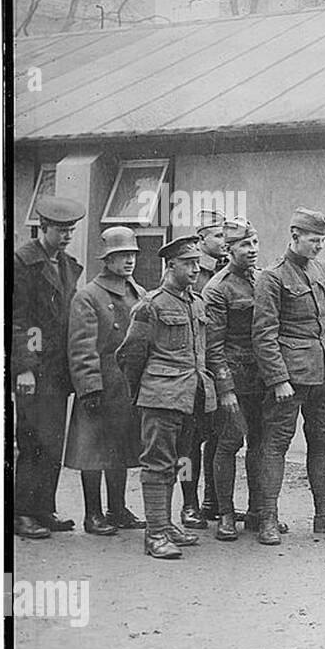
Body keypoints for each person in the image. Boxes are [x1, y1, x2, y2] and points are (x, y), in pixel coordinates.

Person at [252, 207, 325, 545]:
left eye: (323, 240)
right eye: (314, 240)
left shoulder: (324, 271)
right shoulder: (271, 276)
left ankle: (324, 515)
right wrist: (278, 379)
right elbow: (264, 333)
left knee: (321, 443)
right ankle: (268, 518)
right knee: (277, 444)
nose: (320, 246)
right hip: (291, 377)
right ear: (295, 236)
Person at [115, 235, 217, 559]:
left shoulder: (197, 303)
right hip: (161, 397)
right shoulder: (151, 305)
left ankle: (167, 523)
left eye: (197, 263)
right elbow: (130, 355)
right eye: (188, 263)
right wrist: (145, 393)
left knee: (176, 463)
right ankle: (155, 534)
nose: (195, 269)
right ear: (170, 265)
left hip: (190, 397)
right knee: (157, 464)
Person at [63, 227, 148, 534]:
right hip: (101, 384)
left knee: (121, 447)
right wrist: (89, 388)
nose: (128, 261)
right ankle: (93, 514)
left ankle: (118, 508)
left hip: (127, 384)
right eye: (121, 256)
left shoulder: (137, 292)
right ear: (107, 259)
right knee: (93, 452)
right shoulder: (88, 295)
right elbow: (82, 347)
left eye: (132, 255)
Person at [13, 195, 86, 539]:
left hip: (59, 369)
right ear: (43, 228)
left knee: (53, 440)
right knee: (31, 439)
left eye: (71, 230)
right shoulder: (21, 263)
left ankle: (44, 506)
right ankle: (22, 513)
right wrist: (25, 367)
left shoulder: (69, 265)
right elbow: (18, 320)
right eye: (61, 230)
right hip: (34, 367)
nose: (67, 235)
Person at [202, 218, 266, 541]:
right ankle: (225, 514)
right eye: (244, 245)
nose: (252, 250)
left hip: (262, 379)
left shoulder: (263, 279)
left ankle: (256, 512)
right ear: (228, 250)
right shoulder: (217, 288)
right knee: (228, 443)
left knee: (260, 444)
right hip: (235, 379)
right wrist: (225, 389)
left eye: (254, 243)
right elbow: (213, 347)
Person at [181, 210, 228, 526]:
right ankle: (188, 504)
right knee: (188, 442)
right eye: (219, 236)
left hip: (219, 369)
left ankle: (212, 499)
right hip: (195, 369)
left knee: (217, 438)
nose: (224, 242)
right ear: (201, 240)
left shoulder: (229, 270)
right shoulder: (191, 274)